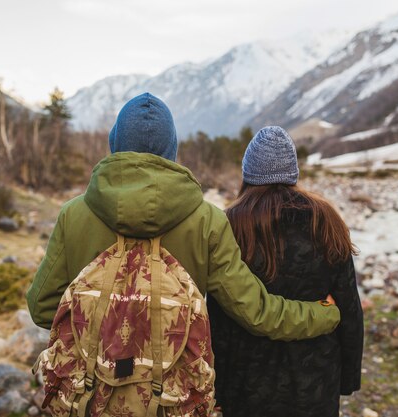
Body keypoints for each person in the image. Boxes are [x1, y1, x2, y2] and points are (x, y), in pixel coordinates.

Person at [26, 93, 340, 344]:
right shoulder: (208, 222)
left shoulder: (73, 215)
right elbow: (256, 313)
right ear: (172, 149)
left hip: (94, 395)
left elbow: (41, 306)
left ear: (115, 144)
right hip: (176, 395)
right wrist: (324, 313)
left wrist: (105, 329)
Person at [208, 126, 364, 417]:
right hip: (316, 378)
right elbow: (349, 306)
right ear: (293, 172)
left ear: (248, 173)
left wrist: (218, 388)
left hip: (248, 382)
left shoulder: (230, 223)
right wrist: (347, 378)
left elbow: (219, 318)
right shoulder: (325, 218)